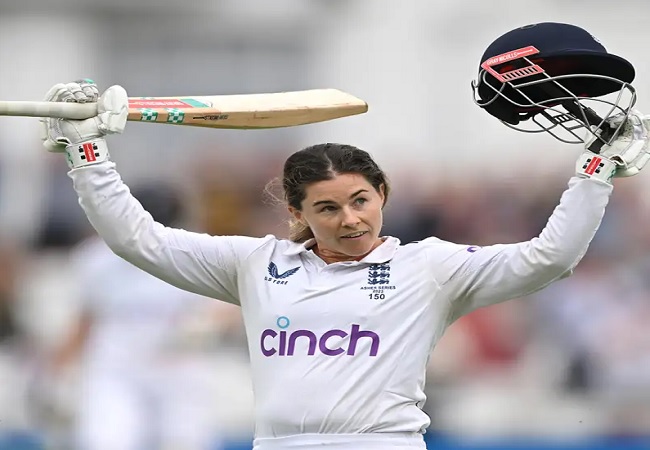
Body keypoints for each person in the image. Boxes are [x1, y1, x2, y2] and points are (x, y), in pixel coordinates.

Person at [37, 24, 650, 450]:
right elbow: (136, 239)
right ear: (299, 213)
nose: (351, 219)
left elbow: (550, 259)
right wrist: (88, 151)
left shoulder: (431, 268)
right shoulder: (254, 265)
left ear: (383, 194)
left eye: (361, 201)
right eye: (327, 208)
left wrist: (593, 172)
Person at [48, 184, 239, 450]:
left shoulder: (194, 251)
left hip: (179, 369)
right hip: (117, 369)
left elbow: (230, 304)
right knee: (107, 442)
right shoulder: (96, 258)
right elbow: (85, 319)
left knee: (185, 443)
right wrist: (56, 372)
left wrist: (206, 323)